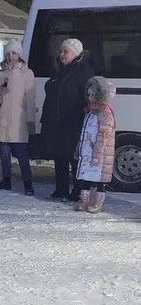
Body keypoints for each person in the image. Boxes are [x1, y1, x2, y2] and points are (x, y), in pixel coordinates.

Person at [40, 38, 94, 201]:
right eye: (61, 51)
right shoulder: (58, 70)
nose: (62, 54)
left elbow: (88, 99)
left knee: (74, 158)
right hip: (56, 122)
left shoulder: (84, 71)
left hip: (74, 122)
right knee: (59, 156)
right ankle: (60, 189)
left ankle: (77, 191)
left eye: (66, 51)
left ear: (76, 53)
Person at [0, 40, 36, 195]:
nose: (10, 56)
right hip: (2, 119)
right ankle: (6, 180)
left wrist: (30, 120)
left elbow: (30, 98)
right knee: (4, 153)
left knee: (22, 154)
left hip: (19, 121)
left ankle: (28, 183)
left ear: (19, 55)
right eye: (8, 53)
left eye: (14, 53)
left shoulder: (27, 74)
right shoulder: (0, 74)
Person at [74, 76, 116, 213]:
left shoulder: (105, 114)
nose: (91, 97)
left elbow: (103, 136)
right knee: (86, 176)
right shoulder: (90, 112)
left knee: (99, 178)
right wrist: (79, 149)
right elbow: (84, 133)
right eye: (89, 94)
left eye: (94, 94)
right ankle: (84, 200)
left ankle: (97, 202)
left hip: (99, 154)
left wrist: (97, 153)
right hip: (87, 151)